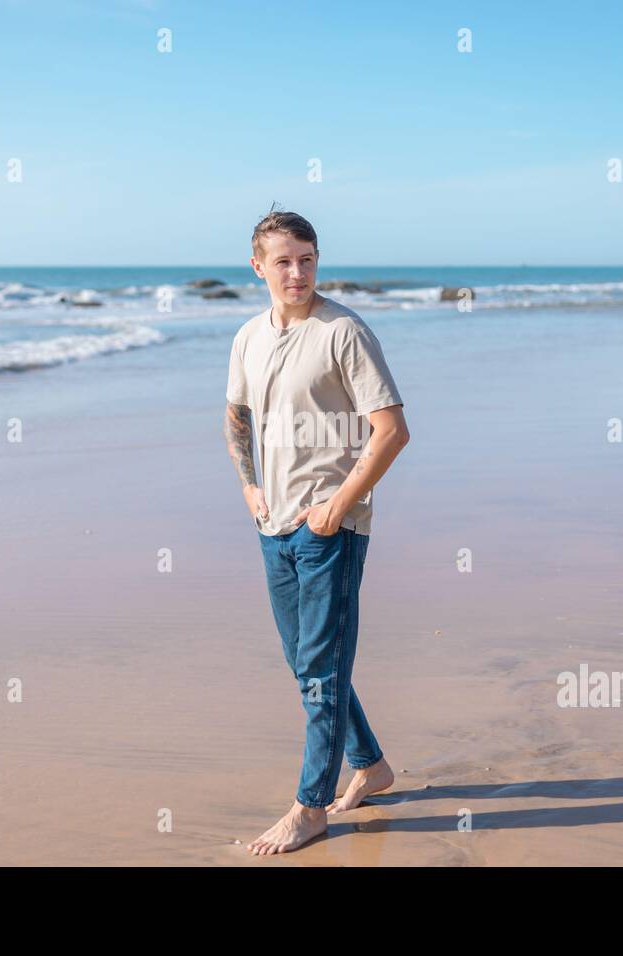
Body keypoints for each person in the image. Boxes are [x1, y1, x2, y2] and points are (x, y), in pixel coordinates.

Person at [224, 208, 411, 854]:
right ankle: (371, 765)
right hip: (270, 524)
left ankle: (310, 807)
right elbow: (236, 415)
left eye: (306, 259)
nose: (297, 272)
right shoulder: (248, 337)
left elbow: (391, 432)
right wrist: (249, 485)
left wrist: (336, 508)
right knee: (306, 662)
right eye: (283, 261)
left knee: (318, 667)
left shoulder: (344, 333)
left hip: (330, 528)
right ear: (258, 267)